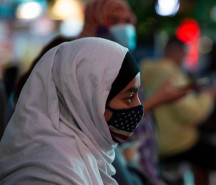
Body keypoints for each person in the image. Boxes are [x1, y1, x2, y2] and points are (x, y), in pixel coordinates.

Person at [0, 37, 144, 184]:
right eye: (129, 97)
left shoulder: (92, 156)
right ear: (91, 99)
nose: (138, 105)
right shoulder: (49, 173)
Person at [141, 36, 216, 185]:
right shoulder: (170, 74)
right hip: (178, 143)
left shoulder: (147, 70)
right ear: (177, 52)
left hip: (158, 143)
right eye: (184, 54)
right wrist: (208, 96)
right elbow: (192, 113)